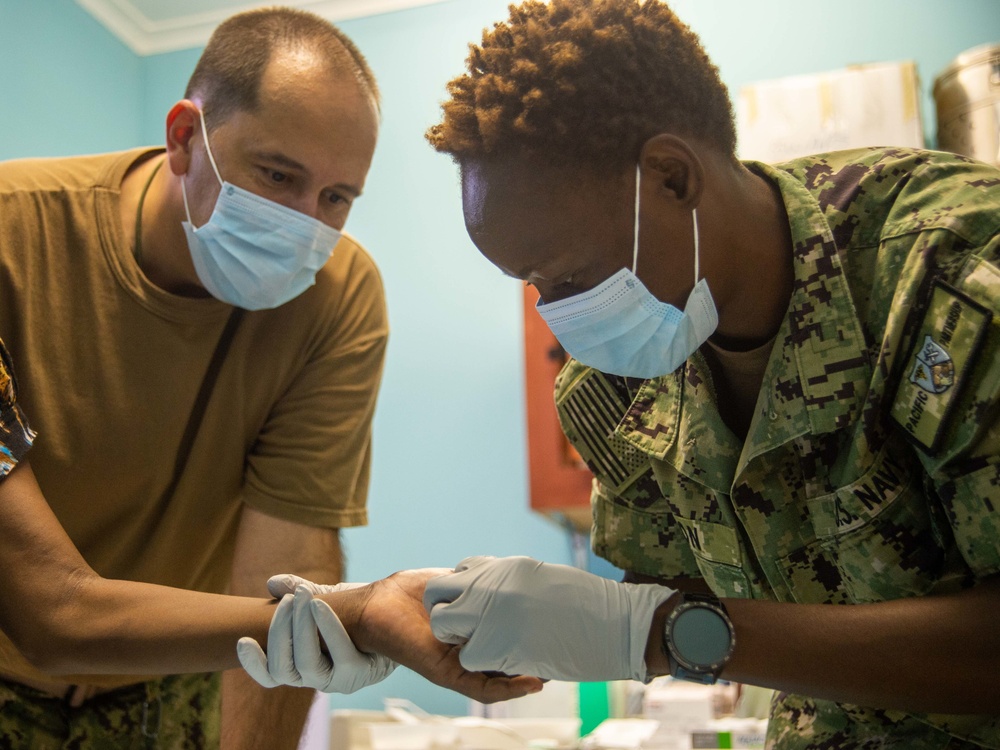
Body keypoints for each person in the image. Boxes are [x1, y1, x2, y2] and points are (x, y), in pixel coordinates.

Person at [412, 1, 999, 748]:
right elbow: (671, 600)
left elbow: (681, 628)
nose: (557, 319)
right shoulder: (615, 395)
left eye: (571, 278)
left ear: (671, 177)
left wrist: (659, 633)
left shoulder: (950, 277)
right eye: (531, 285)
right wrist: (499, 616)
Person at [0, 6, 540, 747]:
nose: (304, 225)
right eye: (277, 175)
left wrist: (325, 619)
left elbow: (284, 578)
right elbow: (48, 614)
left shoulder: (336, 298)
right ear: (186, 138)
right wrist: (360, 615)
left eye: (336, 199)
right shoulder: (11, 240)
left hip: (170, 677)